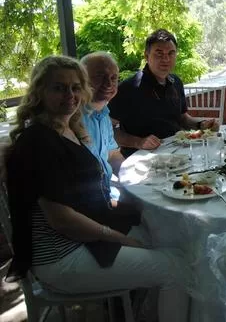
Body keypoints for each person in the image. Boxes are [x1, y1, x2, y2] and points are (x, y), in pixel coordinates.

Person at [4, 56, 189, 321]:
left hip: (83, 238)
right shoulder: (38, 141)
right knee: (178, 268)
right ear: (39, 92)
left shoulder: (68, 128)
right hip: (61, 257)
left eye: (75, 87)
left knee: (170, 239)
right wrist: (120, 238)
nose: (70, 95)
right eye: (59, 88)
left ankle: (146, 312)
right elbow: (62, 220)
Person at [109, 29, 219, 157]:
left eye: (171, 53)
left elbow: (182, 118)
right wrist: (139, 142)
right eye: (159, 53)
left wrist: (201, 125)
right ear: (146, 56)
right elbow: (108, 129)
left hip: (177, 154)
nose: (166, 59)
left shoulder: (176, 82)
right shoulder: (128, 88)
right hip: (142, 158)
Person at [80, 52, 124, 198]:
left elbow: (112, 154)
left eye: (113, 78)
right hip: (91, 199)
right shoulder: (72, 118)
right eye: (100, 76)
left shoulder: (104, 115)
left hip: (107, 190)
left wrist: (134, 180)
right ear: (82, 79)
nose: (109, 84)